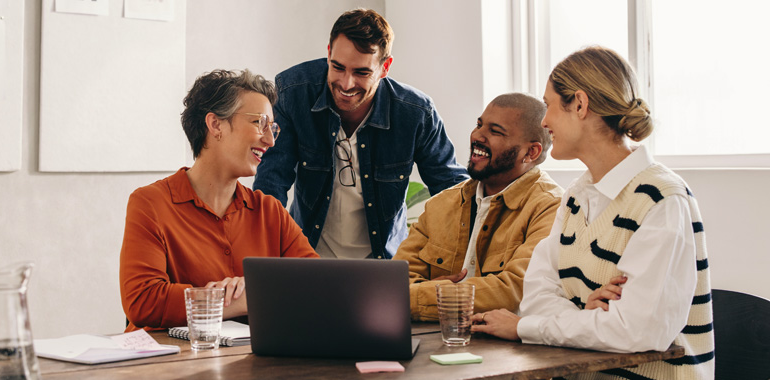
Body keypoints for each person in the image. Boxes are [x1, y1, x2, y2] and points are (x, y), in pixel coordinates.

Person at [472, 47, 714, 379]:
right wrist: (586, 314)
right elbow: (535, 297)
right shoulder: (575, 196)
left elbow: (637, 333)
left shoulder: (663, 199)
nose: (544, 121)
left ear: (580, 105)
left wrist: (527, 327)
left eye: (549, 105)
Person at [252, 9, 469, 260]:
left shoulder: (416, 113)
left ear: (385, 67)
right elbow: (271, 184)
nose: (346, 84)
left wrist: (445, 263)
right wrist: (267, 261)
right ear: (329, 53)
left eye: (362, 72)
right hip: (308, 257)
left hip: (383, 264)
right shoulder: (293, 92)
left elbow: (453, 193)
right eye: (338, 67)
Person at [119, 69, 318, 331]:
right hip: (171, 367)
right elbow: (143, 301)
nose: (270, 140)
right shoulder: (150, 204)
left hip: (251, 365)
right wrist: (233, 300)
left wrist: (252, 292)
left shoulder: (270, 212)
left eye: (273, 128)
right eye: (260, 123)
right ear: (215, 125)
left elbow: (317, 287)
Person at [393, 93, 562, 320]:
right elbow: (397, 280)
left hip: (514, 350)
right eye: (479, 125)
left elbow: (513, 290)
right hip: (437, 338)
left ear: (531, 152)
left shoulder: (551, 207)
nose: (477, 136)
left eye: (495, 131)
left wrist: (435, 294)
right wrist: (429, 295)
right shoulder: (441, 204)